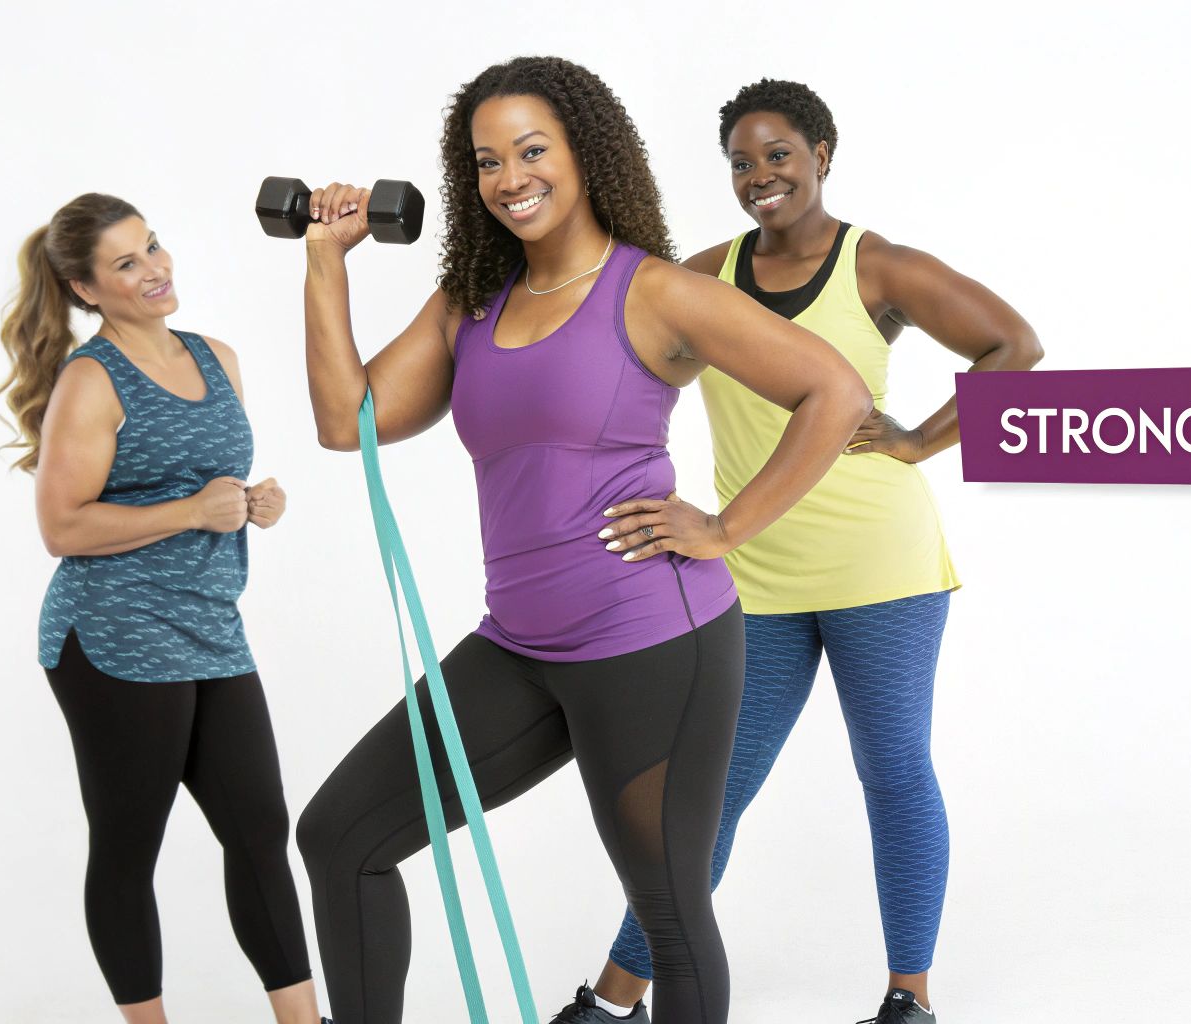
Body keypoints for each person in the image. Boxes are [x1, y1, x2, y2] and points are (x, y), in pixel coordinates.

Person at [288, 57, 873, 1024]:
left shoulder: (652, 293)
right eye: (486, 161)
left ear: (585, 156)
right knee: (341, 836)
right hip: (519, 644)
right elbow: (347, 416)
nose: (510, 177)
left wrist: (725, 527)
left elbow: (834, 392)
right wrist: (323, 262)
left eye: (531, 150)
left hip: (652, 644)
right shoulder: (472, 301)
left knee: (670, 915)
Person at [565, 79, 1044, 1024]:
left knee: (893, 770)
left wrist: (917, 441)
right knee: (712, 790)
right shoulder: (700, 276)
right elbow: (607, 341)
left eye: (778, 155)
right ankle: (618, 996)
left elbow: (1014, 348)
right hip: (750, 572)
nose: (759, 177)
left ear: (823, 153)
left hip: (883, 570)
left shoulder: (880, 269)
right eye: (740, 164)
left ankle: (909, 997)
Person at [0, 193, 323, 1024]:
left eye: (154, 248)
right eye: (127, 264)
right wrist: (189, 513)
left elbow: (204, 484)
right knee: (128, 847)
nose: (155, 270)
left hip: (212, 626)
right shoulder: (90, 379)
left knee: (259, 830)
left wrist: (251, 503)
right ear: (84, 288)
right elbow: (61, 525)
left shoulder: (217, 356)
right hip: (113, 635)